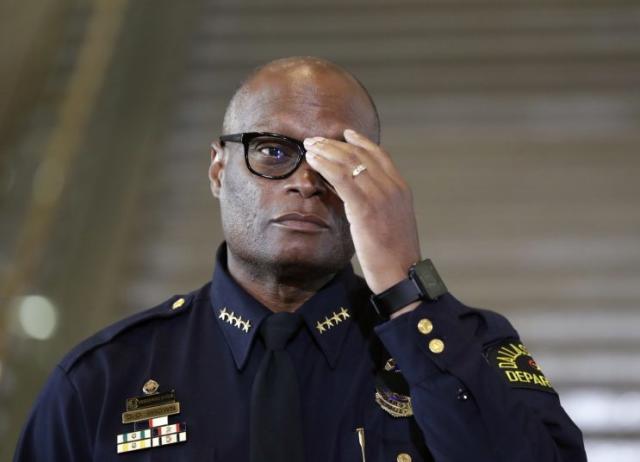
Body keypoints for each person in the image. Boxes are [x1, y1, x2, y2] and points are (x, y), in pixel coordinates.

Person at [14, 56, 587, 461]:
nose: (305, 183)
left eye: (335, 158)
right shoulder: (103, 379)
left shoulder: (466, 346)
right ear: (218, 170)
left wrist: (408, 291)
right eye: (272, 151)